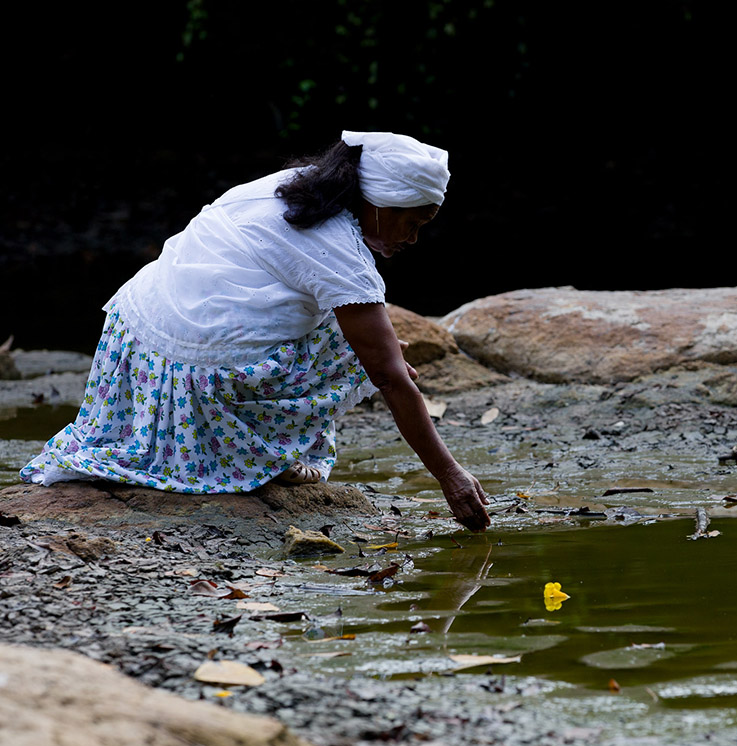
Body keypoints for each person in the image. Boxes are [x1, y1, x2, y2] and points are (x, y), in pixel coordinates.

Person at [20, 130, 491, 533]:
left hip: (135, 338)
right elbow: (388, 377)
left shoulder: (287, 187)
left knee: (359, 338)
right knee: (364, 352)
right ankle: (262, 454)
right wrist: (450, 475)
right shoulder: (342, 256)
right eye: (412, 221)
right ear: (379, 201)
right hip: (195, 376)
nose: (411, 237)